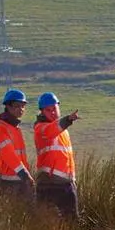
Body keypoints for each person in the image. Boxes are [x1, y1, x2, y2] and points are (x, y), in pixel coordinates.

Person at [33, 91, 80, 222]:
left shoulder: (63, 131)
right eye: (48, 110)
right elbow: (51, 130)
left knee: (70, 223)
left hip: (66, 183)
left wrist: (72, 181)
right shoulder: (40, 128)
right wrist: (68, 119)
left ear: (58, 107)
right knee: (49, 224)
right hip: (50, 184)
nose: (52, 112)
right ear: (42, 112)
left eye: (54, 109)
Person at [0, 88, 35, 199]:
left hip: (20, 181)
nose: (21, 109)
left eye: (23, 106)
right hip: (9, 183)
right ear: (8, 106)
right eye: (17, 106)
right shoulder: (1, 128)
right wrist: (25, 175)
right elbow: (8, 155)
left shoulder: (15, 129)